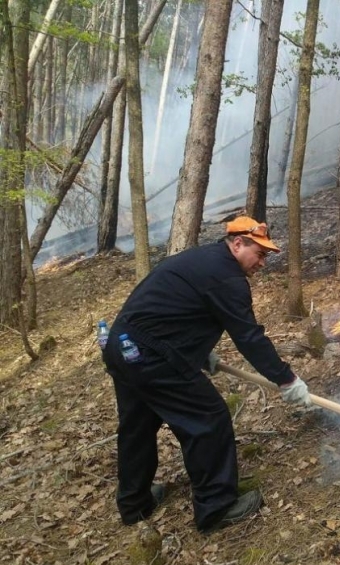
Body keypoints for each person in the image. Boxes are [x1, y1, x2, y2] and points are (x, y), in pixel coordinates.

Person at [102, 216, 311, 533]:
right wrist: (287, 379)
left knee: (137, 426)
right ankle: (217, 507)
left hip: (122, 345)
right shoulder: (226, 277)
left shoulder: (203, 260)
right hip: (150, 356)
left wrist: (195, 352)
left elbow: (175, 308)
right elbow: (249, 337)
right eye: (261, 254)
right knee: (209, 419)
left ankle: (134, 503)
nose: (263, 263)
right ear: (238, 244)